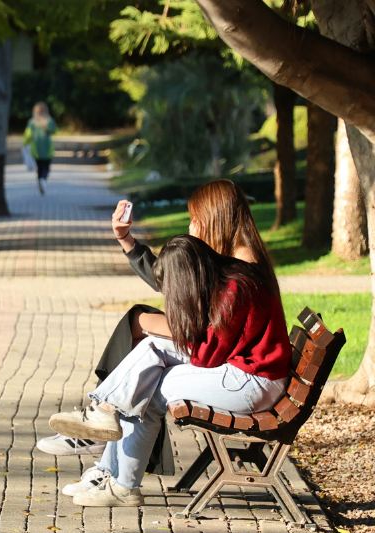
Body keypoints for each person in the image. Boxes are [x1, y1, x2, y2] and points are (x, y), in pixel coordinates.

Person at [36, 179, 279, 469]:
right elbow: (178, 286)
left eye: (194, 221)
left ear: (213, 221)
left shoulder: (240, 279)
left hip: (248, 380)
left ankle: (104, 432)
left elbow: (207, 352)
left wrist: (162, 327)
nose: (191, 229)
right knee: (139, 331)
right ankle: (103, 425)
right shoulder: (233, 265)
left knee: (143, 370)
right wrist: (126, 239)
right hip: (242, 370)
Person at [48, 234, 291, 507]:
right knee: (151, 348)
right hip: (248, 374)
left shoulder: (234, 291)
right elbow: (210, 348)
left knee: (147, 387)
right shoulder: (231, 277)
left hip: (251, 383)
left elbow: (207, 356)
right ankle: (103, 415)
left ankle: (122, 482)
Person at [22, 101, 57, 195]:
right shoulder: (50, 121)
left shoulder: (32, 122)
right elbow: (55, 131)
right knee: (46, 167)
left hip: (36, 149)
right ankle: (43, 179)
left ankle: (40, 180)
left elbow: (28, 135)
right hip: (47, 148)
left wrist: (24, 144)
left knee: (39, 167)